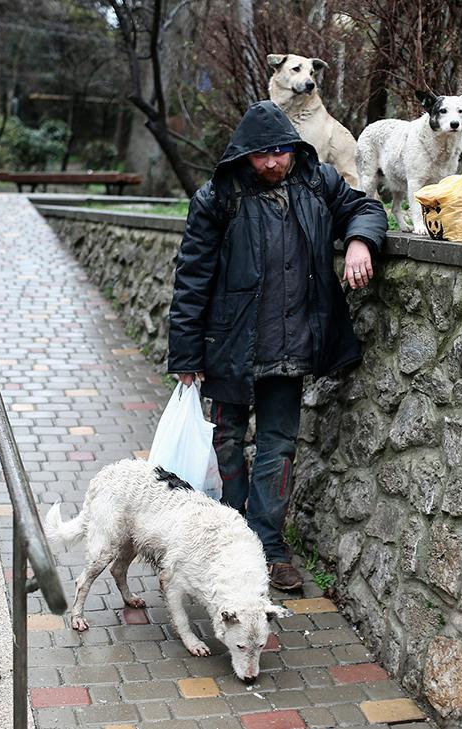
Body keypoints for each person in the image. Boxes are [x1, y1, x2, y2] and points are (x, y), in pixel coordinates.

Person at [168, 101, 387, 591]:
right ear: (244, 155)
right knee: (227, 441)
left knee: (278, 446)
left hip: (291, 346)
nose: (272, 163)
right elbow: (193, 277)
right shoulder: (217, 197)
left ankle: (268, 545)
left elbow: (366, 208)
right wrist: (185, 354)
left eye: (280, 152)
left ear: (293, 147)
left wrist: (359, 242)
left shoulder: (317, 182)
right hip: (228, 344)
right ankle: (231, 533)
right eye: (261, 155)